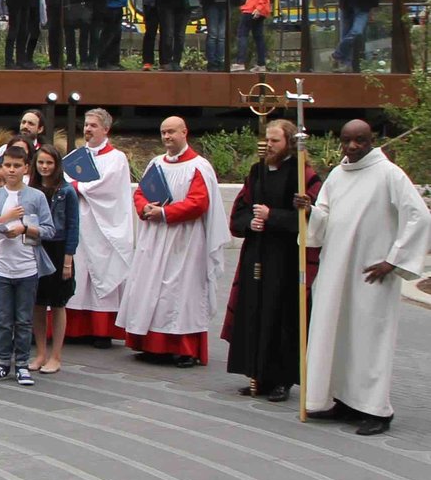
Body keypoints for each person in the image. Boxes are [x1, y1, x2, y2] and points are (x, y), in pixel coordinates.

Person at [300, 119, 429, 435]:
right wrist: (309, 211)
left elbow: (419, 216)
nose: (352, 146)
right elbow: (324, 222)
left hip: (371, 275)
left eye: (360, 140)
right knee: (338, 335)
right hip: (336, 272)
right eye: (347, 140)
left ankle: (376, 410)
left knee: (369, 340)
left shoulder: (389, 174)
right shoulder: (338, 176)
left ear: (371, 140)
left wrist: (393, 260)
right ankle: (344, 401)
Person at [118, 116, 230, 367]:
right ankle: (151, 345)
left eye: (171, 132)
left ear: (184, 132)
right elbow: (140, 193)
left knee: (180, 293)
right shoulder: (156, 164)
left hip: (184, 241)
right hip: (155, 238)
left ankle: (185, 349)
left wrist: (165, 213)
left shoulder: (198, 167)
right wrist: (145, 207)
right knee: (149, 288)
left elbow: (199, 202)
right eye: (163, 133)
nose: (167, 137)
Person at [222, 120, 318, 402]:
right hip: (257, 253)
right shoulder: (257, 172)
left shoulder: (302, 175)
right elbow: (239, 212)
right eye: (268, 139)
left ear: (289, 142)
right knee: (254, 312)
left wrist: (272, 217)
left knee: (281, 316)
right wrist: (251, 223)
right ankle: (257, 374)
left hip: (285, 258)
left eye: (276, 141)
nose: (270, 145)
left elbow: (311, 218)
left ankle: (283, 380)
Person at [0, 143, 52, 386]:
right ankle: (2, 363)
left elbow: (49, 230)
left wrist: (24, 228)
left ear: (26, 168)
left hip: (27, 266)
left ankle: (21, 364)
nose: (11, 170)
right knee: (3, 318)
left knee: (23, 318)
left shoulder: (36, 197)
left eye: (16, 166)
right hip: (0, 266)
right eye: (7, 165)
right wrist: (5, 221)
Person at [64, 108, 131, 345]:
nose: (87, 129)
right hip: (79, 222)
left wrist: (75, 186)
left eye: (93, 125)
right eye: (86, 125)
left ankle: (101, 331)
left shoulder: (117, 158)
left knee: (102, 271)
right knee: (79, 273)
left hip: (103, 224)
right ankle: (75, 329)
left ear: (106, 129)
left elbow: (107, 187)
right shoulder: (76, 155)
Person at [31, 144, 79, 374]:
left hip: (59, 249)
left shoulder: (66, 191)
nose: (45, 167)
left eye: (49, 163)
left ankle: (56, 356)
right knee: (38, 303)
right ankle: (40, 353)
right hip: (37, 247)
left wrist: (68, 260)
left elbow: (73, 227)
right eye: (41, 162)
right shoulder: (32, 188)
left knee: (58, 303)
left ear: (57, 165)